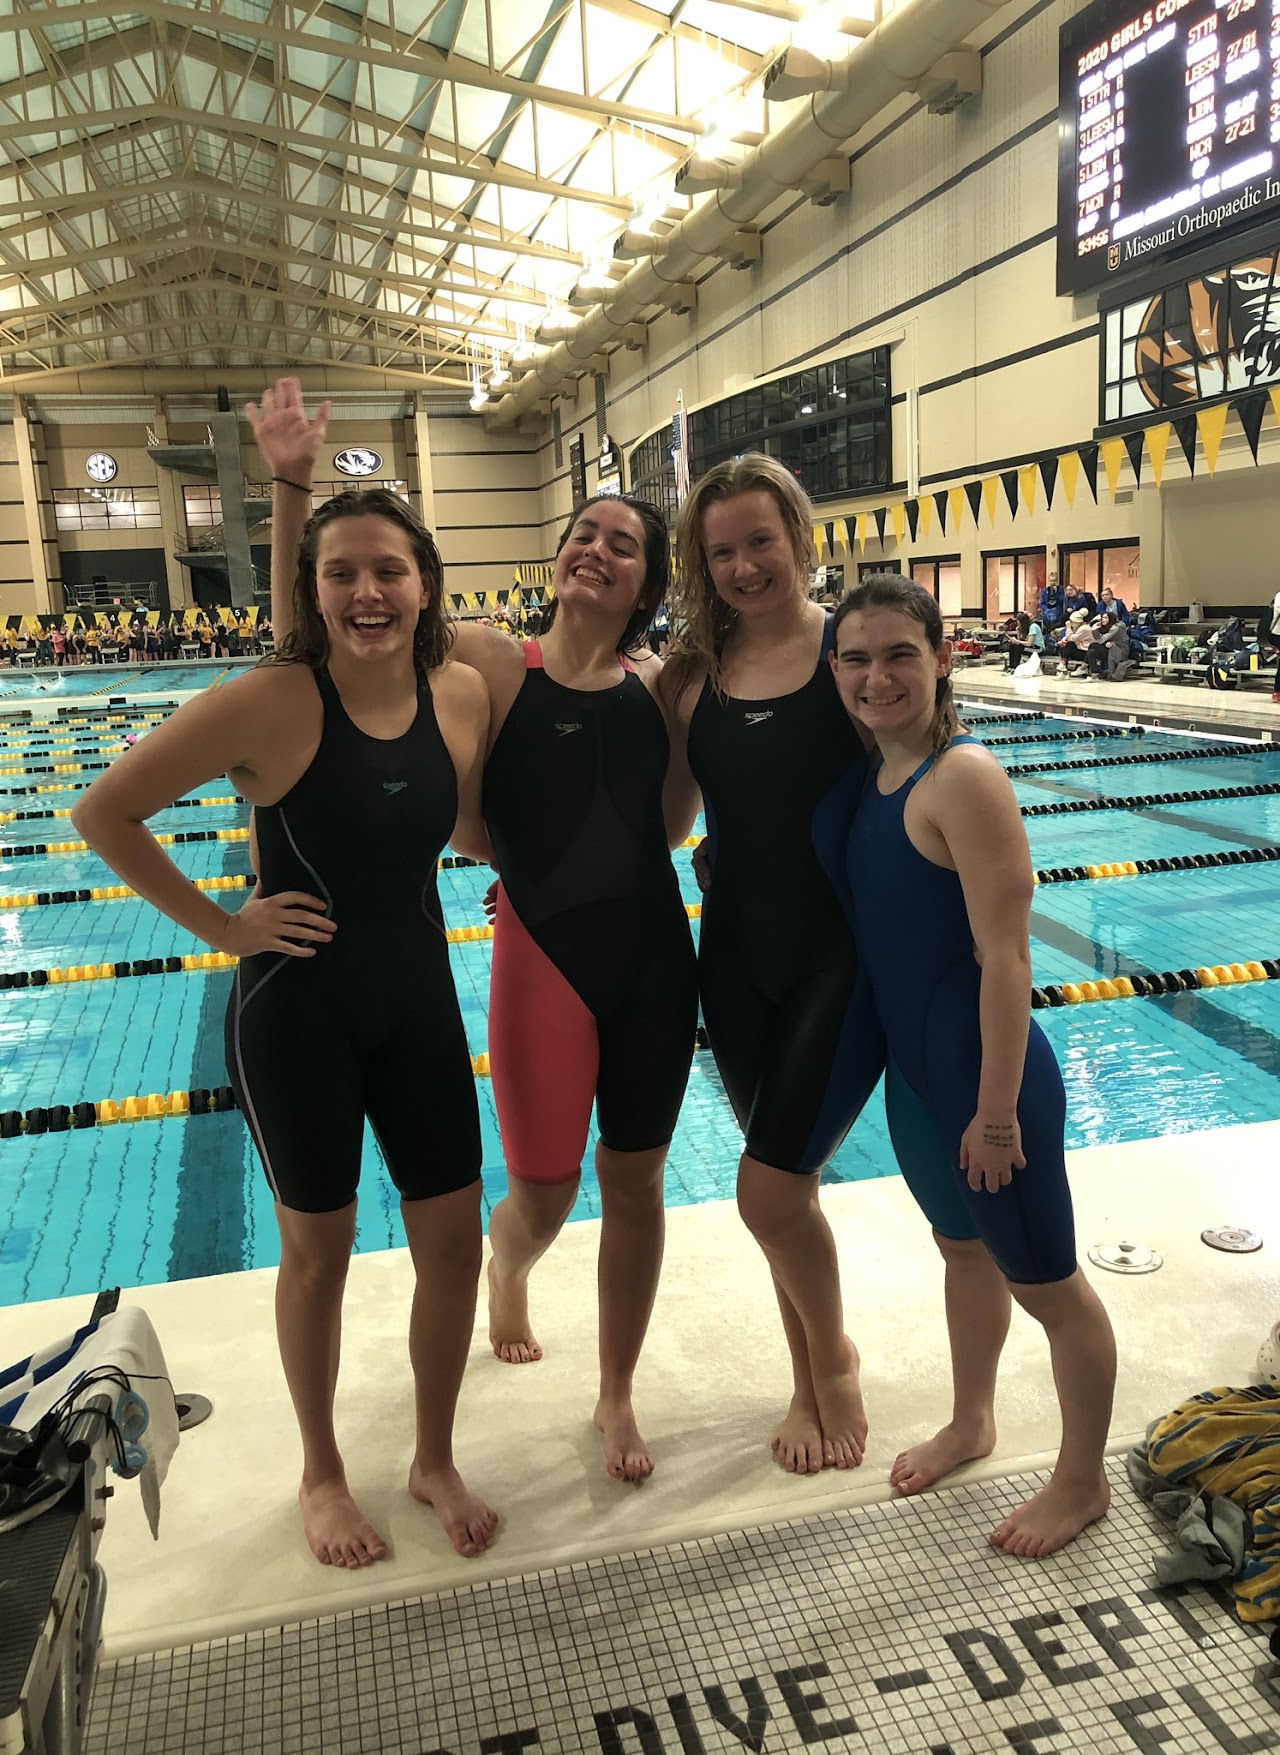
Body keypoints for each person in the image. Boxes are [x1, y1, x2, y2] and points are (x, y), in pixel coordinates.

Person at [251, 377, 699, 1487]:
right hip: (539, 957)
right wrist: (289, 490)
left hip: (650, 958)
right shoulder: (491, 661)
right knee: (542, 1191)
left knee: (638, 1187)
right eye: (583, 533)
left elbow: (674, 823)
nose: (597, 549)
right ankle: (511, 1272)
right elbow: (321, 643)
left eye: (623, 544)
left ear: (647, 582)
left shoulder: (663, 687)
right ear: (558, 558)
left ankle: (615, 1394)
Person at [71, 485, 499, 1571]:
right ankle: (320, 1472)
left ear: (424, 581)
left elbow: (479, 821)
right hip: (296, 1012)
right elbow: (102, 811)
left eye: (388, 570)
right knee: (319, 1255)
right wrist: (222, 923)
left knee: (455, 1246)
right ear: (310, 591)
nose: (367, 591)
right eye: (341, 571)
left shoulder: (456, 689)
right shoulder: (270, 698)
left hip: (417, 1007)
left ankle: (433, 1457)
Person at [829, 573, 1117, 1558]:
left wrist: (995, 1115)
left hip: (987, 1085)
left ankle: (1080, 1481)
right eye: (856, 658)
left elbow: (1007, 959)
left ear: (940, 658)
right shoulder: (873, 775)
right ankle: (972, 1421)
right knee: (961, 1255)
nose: (876, 676)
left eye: (898, 654)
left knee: (1049, 1287)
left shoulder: (964, 777)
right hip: (919, 1083)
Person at [660, 452, 886, 1476]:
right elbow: (665, 822)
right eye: (722, 552)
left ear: (798, 536)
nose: (745, 566)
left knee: (767, 1188)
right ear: (699, 567)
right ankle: (806, 1371)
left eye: (760, 541)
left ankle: (830, 1369)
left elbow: (924, 777)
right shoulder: (691, 677)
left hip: (837, 959)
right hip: (731, 958)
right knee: (778, 1188)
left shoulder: (853, 653)